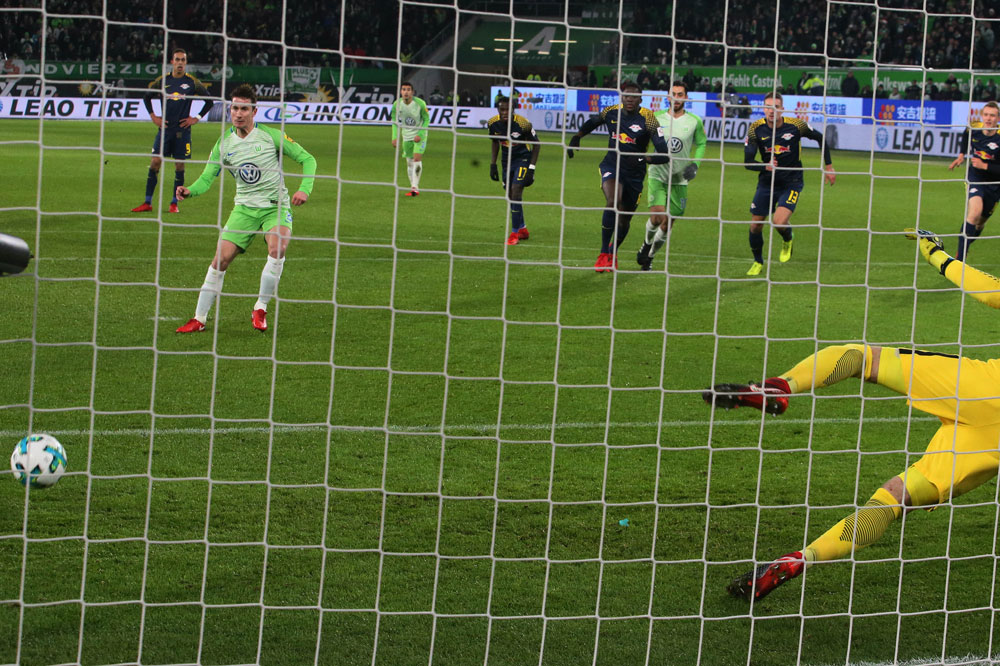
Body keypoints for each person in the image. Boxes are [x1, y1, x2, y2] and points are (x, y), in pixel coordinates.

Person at [702, 228, 1000, 602]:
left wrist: (935, 253)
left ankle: (779, 387)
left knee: (863, 358)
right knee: (894, 499)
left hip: (987, 390)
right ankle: (801, 558)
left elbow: (989, 290)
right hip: (993, 446)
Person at [174, 84, 316, 334]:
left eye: (243, 109)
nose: (237, 113)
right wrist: (190, 190)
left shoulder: (271, 136)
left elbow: (308, 159)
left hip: (275, 207)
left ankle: (260, 307)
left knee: (278, 247)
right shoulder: (224, 144)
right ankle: (199, 318)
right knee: (220, 260)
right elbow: (208, 178)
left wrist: (304, 188)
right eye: (234, 108)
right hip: (244, 209)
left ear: (254, 111)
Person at [567, 81, 671, 272]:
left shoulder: (649, 119)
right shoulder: (611, 111)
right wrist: (578, 136)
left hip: (635, 174)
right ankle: (602, 254)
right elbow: (593, 121)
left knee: (624, 219)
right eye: (626, 96)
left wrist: (644, 158)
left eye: (634, 97)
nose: (629, 100)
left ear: (640, 99)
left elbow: (664, 153)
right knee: (613, 201)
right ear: (621, 97)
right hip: (612, 165)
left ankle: (612, 252)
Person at [743, 92, 835, 276]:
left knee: (779, 221)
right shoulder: (755, 129)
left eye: (776, 107)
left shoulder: (796, 126)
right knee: (755, 226)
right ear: (763, 109)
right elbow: (747, 162)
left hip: (792, 182)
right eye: (768, 107)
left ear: (782, 109)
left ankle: (787, 237)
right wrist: (765, 166)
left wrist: (829, 166)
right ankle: (758, 261)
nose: (772, 111)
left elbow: (820, 138)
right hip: (767, 183)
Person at [131, 49, 212, 214]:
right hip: (165, 130)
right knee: (155, 162)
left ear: (186, 63)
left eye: (183, 60)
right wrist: (154, 117)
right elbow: (147, 97)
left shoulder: (192, 82)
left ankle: (174, 203)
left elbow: (209, 101)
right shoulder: (163, 81)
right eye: (177, 60)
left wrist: (195, 118)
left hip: (183, 131)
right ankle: (147, 202)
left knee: (180, 166)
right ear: (172, 62)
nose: (180, 63)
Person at [636, 82, 706, 271]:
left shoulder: (694, 121)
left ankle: (650, 256)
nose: (676, 97)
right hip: (657, 174)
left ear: (685, 97)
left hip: (680, 178)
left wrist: (695, 165)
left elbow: (701, 144)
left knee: (668, 224)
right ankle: (646, 243)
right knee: (658, 216)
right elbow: (641, 138)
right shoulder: (655, 117)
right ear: (668, 97)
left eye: (680, 94)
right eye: (673, 94)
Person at [947, 100, 1000, 260]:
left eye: (992, 115)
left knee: (980, 223)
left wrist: (985, 166)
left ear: (998, 118)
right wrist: (961, 155)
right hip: (975, 177)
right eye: (986, 114)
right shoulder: (975, 127)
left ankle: (966, 244)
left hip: (995, 184)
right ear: (982, 115)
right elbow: (965, 134)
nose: (988, 118)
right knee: (974, 213)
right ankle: (960, 259)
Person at [488, 96, 540, 246]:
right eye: (502, 109)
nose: (505, 112)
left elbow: (537, 145)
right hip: (506, 162)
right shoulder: (493, 124)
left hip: (523, 159)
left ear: (513, 110)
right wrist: (493, 164)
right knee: (510, 195)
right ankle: (522, 228)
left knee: (516, 190)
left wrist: (531, 168)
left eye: (507, 109)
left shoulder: (522, 123)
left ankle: (514, 233)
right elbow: (495, 143)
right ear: (498, 109)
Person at [390, 81, 430, 197]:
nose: (406, 92)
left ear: (412, 92)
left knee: (417, 159)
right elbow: (394, 121)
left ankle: (415, 188)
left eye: (408, 90)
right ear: (401, 91)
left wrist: (421, 134)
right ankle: (412, 185)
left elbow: (427, 120)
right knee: (409, 162)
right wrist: (394, 137)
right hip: (406, 135)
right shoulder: (396, 104)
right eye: (403, 89)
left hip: (419, 135)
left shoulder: (420, 104)